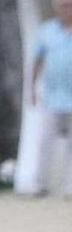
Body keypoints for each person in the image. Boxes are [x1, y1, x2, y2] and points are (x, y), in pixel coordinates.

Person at [27, 0, 72, 196]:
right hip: (52, 99)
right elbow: (37, 61)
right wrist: (32, 89)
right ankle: (39, 185)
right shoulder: (46, 31)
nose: (67, 9)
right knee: (44, 143)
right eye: (63, 5)